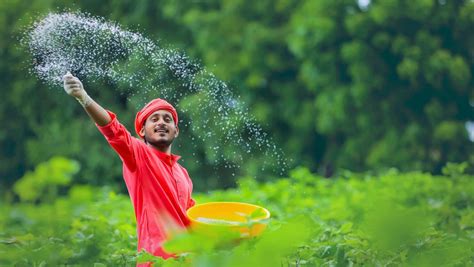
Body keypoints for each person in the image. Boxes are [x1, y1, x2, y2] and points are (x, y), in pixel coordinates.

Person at [63, 72, 196, 265]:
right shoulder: (138, 155)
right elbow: (113, 130)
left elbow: (192, 218)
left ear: (176, 131)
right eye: (154, 119)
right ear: (142, 131)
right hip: (155, 260)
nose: (161, 122)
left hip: (187, 261)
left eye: (167, 120)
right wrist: (84, 98)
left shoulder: (182, 173)